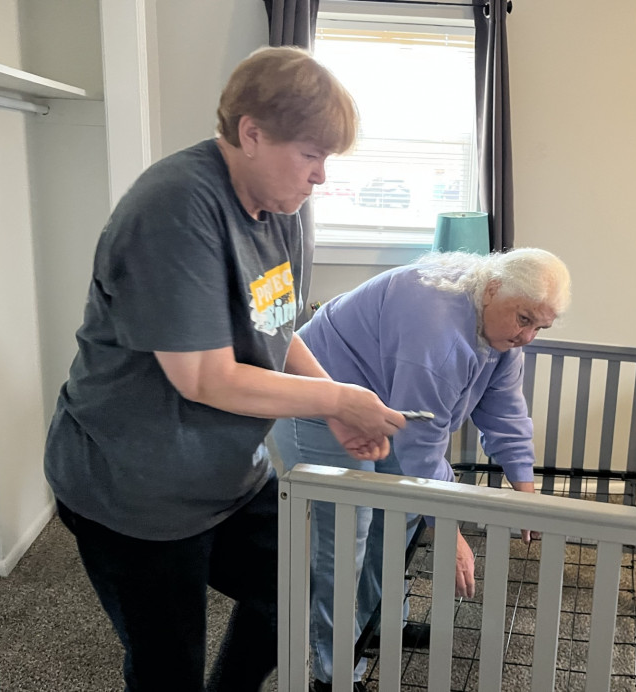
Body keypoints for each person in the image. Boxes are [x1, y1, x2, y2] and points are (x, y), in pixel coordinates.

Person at [42, 46, 406, 692]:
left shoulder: (283, 211)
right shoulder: (174, 209)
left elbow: (278, 326)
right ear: (250, 133)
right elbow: (203, 378)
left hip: (227, 475)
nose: (321, 176)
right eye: (311, 155)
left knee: (291, 591)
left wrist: (330, 398)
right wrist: (337, 403)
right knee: (165, 668)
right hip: (133, 492)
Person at [272, 247, 572, 692]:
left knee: (398, 521)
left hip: (386, 408)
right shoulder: (438, 327)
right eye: (524, 320)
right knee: (346, 537)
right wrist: (448, 530)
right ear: (492, 289)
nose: (528, 336)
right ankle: (333, 673)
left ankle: (381, 625)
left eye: (540, 327)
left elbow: (505, 409)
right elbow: (422, 445)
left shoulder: (501, 327)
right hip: (317, 406)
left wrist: (523, 487)